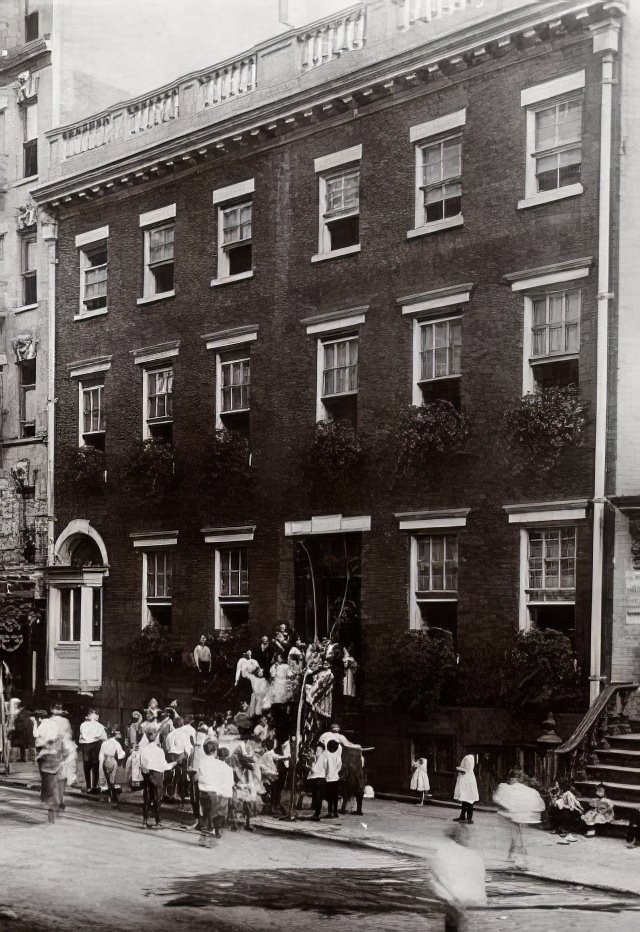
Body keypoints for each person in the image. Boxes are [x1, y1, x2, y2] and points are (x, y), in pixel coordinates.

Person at [493, 770, 545, 869]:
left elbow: (496, 799)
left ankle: (517, 856)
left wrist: (509, 807)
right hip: (519, 815)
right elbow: (541, 806)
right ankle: (515, 855)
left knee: (516, 834)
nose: (511, 780)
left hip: (517, 815)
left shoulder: (509, 788)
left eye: (512, 778)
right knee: (517, 833)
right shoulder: (510, 788)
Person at [197, 740, 235, 844]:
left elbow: (199, 775)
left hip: (202, 791)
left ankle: (203, 837)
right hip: (213, 792)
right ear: (215, 751)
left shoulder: (202, 761)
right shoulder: (219, 764)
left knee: (205, 814)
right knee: (213, 815)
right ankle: (210, 838)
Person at [140, 723, 176, 829]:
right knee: (157, 798)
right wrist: (174, 763)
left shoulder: (144, 750)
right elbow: (164, 766)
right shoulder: (159, 751)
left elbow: (142, 765)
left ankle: (144, 821)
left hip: (147, 775)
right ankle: (157, 821)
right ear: (156, 737)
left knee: (147, 798)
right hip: (157, 775)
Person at [311, 738, 342, 820]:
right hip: (335, 778)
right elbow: (339, 766)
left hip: (324, 778)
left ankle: (317, 814)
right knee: (333, 796)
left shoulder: (326, 753)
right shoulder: (337, 754)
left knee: (320, 797)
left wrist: (327, 776)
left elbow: (326, 766)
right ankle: (334, 812)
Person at [78, 709, 107, 794]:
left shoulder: (100, 726)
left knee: (96, 764)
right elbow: (85, 736)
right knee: (87, 764)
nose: (97, 716)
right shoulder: (84, 725)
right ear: (89, 716)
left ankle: (94, 786)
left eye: (98, 714)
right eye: (95, 714)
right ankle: (88, 786)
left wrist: (99, 739)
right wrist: (97, 737)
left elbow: (104, 737)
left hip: (96, 746)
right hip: (87, 746)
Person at [100, 728, 126, 807]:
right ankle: (113, 796)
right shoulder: (116, 743)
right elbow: (121, 754)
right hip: (112, 760)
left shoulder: (104, 742)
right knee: (112, 779)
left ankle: (109, 795)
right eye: (118, 734)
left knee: (107, 779)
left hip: (105, 760)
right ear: (115, 734)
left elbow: (101, 754)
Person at [453, 753, 479, 823]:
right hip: (467, 779)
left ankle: (469, 819)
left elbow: (465, 769)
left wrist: (458, 768)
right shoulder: (470, 757)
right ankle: (462, 816)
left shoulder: (468, 757)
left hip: (467, 780)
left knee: (469, 800)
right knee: (465, 799)